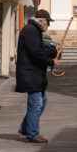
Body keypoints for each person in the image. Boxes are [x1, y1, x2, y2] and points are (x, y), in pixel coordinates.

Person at [16, 9, 61, 143]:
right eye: (47, 22)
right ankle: (32, 134)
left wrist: (54, 51)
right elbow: (36, 53)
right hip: (31, 74)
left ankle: (25, 128)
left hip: (35, 75)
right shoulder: (31, 31)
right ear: (41, 21)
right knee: (35, 105)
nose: (48, 25)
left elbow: (39, 50)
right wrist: (51, 61)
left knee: (42, 100)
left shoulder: (34, 31)